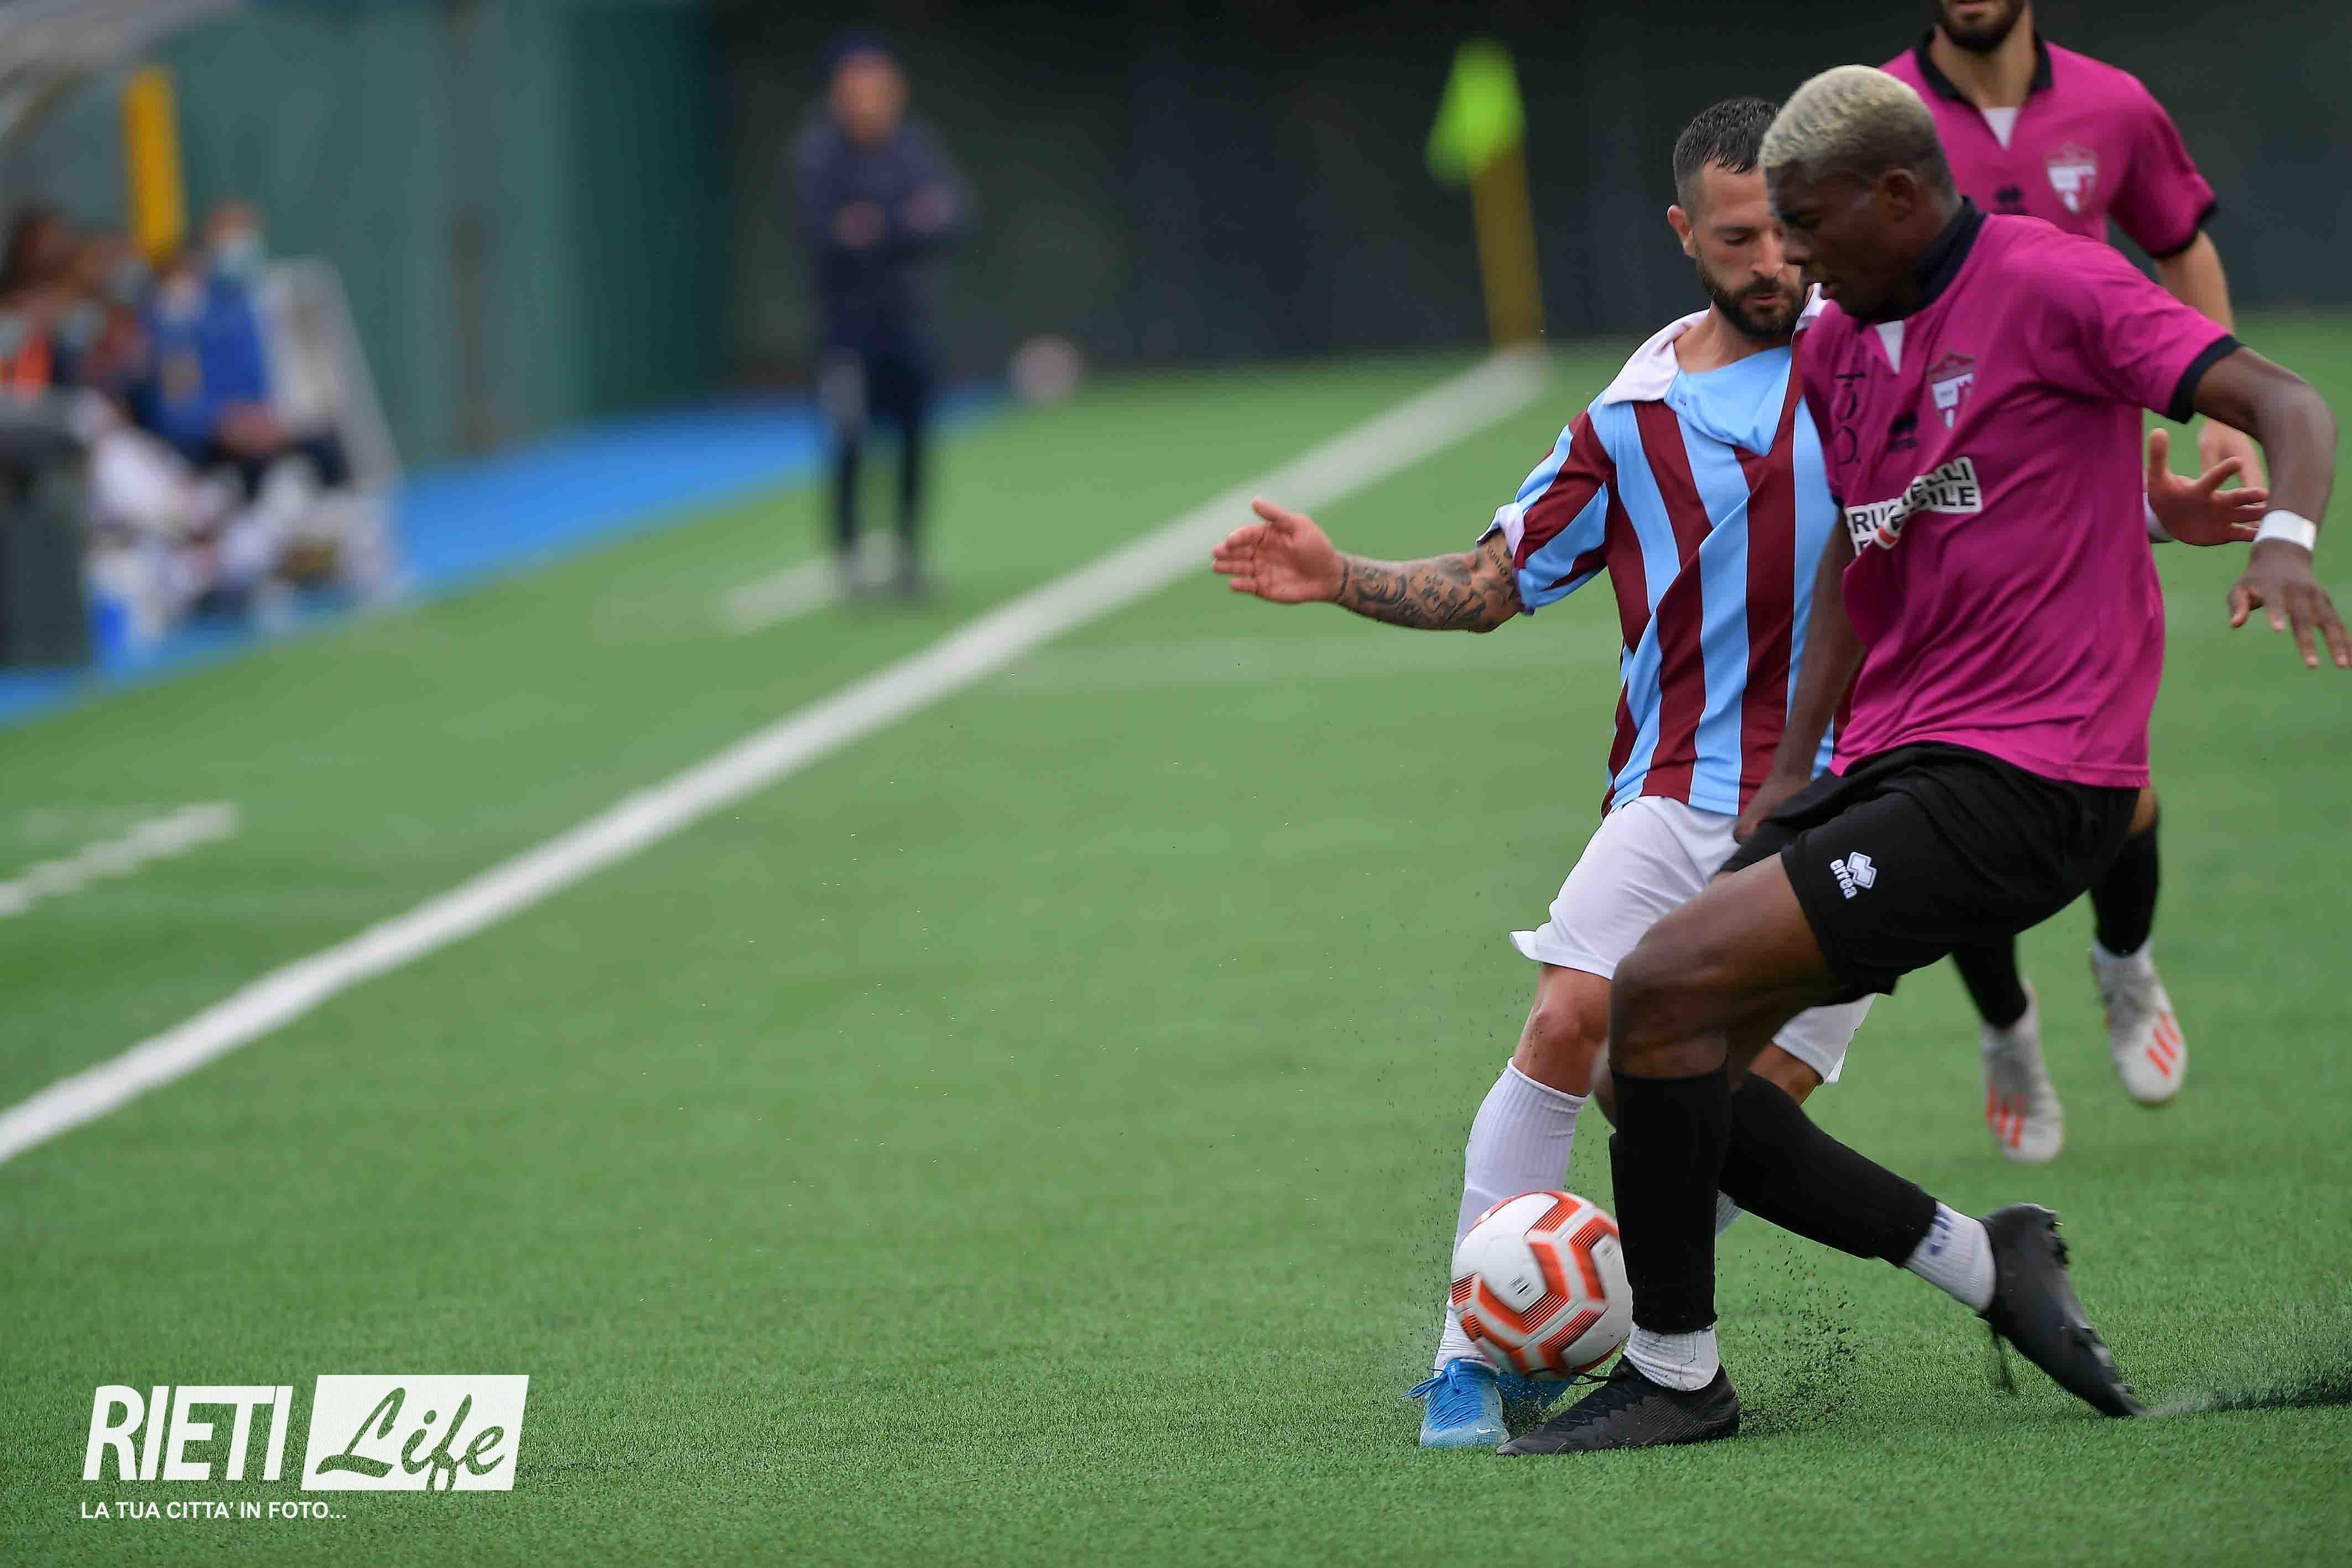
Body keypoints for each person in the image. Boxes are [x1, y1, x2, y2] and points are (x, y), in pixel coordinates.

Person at [1208, 97, 2258, 1452]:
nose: (1773, 266)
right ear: (1683, 236)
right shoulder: (1632, 414)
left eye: (1784, 234)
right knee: (1566, 1023)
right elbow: (1491, 582)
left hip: (1867, 795)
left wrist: (2150, 511)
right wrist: (1337, 573)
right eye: (1736, 241)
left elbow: (2007, 488)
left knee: (1727, 1111)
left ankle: (1693, 1322)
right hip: (1678, 786)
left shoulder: (1879, 349)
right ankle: (1473, 1354)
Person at [1506, 64, 2341, 1456]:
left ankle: (1675, 1375)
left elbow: (2287, 401)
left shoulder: (2054, 283)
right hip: (1894, 762)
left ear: (1896, 196)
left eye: (1807, 223)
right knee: (1656, 1063)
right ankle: (1979, 1259)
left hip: (2035, 776)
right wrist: (1790, 777)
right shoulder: (1841, 343)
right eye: (1769, 228)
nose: (1791, 257)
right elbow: (1858, 548)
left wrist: (2285, 543)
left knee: (1656, 985)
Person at [1885, 0, 2260, 1154]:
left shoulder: (2113, 105)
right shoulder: (1880, 112)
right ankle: (2005, 1025)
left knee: (2115, 779)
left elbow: (2177, 242)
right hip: (1937, 495)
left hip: (2087, 493)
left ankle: (2123, 962)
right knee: (1946, 781)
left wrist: (2221, 409)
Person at [792, 30, 971, 601]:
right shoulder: (818, 156)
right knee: (848, 438)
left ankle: (909, 552)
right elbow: (826, 235)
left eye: (880, 87)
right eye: (859, 89)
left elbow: (950, 216)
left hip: (906, 319)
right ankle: (849, 558)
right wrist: (901, 224)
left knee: (915, 436)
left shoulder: (914, 147)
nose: (871, 100)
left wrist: (881, 226)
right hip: (845, 327)